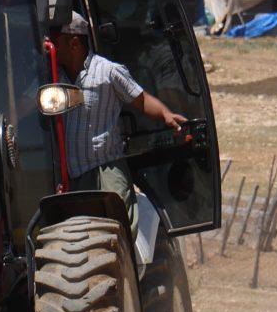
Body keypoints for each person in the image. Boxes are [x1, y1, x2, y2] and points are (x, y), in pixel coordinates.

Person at [57, 13, 189, 195]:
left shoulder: (108, 71)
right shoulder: (54, 77)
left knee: (116, 222)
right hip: (72, 177)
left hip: (106, 172)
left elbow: (141, 100)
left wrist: (166, 114)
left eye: (57, 41)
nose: (50, 47)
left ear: (73, 44)